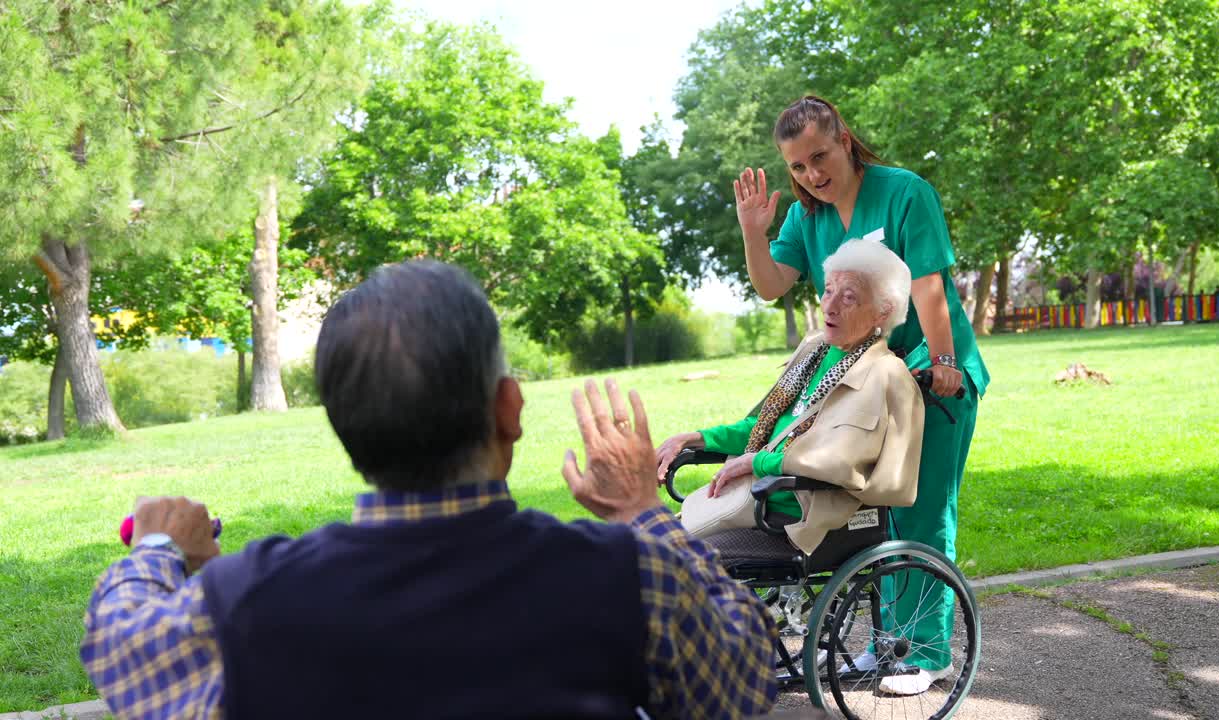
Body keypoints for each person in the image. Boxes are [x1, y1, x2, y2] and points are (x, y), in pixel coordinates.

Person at [80, 260, 778, 719]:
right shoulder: (627, 574)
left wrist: (160, 547)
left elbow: (118, 644)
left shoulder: (246, 601)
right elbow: (744, 686)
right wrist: (641, 512)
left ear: (347, 430)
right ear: (509, 410)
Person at [730, 95, 989, 696]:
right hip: (866, 380)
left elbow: (928, 286)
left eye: (819, 156)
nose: (812, 175)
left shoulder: (904, 192)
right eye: (797, 167)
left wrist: (945, 361)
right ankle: (886, 642)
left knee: (920, 508)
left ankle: (925, 654)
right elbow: (772, 285)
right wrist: (752, 233)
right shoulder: (808, 217)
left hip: (930, 375)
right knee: (876, 514)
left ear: (844, 138)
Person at [655, 239, 923, 558]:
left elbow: (840, 462)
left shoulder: (884, 374)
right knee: (639, 544)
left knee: (656, 556)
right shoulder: (814, 350)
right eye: (828, 290)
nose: (830, 305)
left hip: (796, 520)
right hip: (755, 501)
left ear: (884, 310)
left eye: (848, 297)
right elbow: (766, 428)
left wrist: (757, 462)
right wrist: (698, 438)